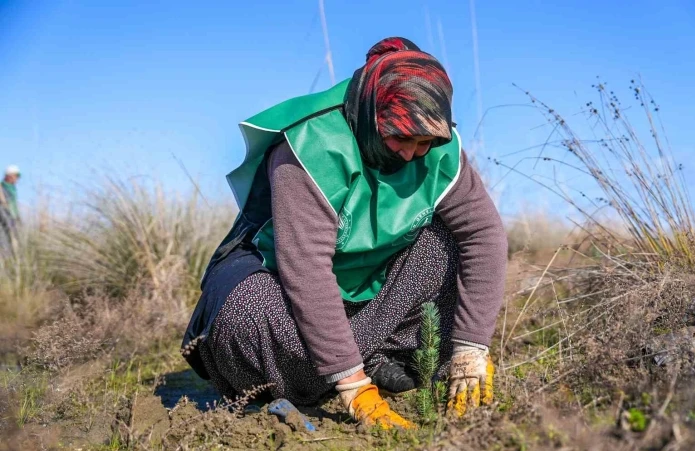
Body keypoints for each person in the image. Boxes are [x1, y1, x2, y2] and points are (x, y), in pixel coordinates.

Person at [182, 37, 508, 429]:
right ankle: (343, 370)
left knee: (446, 247)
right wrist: (356, 389)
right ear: (372, 113)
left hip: (363, 296)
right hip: (280, 284)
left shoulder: (441, 147)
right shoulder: (310, 143)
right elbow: (306, 270)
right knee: (246, 312)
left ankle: (365, 358)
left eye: (424, 143)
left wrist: (471, 347)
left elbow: (484, 236)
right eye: (400, 137)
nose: (411, 153)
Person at [0, 165, 21, 251]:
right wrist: (10, 222)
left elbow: (14, 207)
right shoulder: (1, 188)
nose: (17, 178)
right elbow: (3, 208)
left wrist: (17, 218)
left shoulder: (12, 189)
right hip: (4, 223)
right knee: (5, 246)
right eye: (16, 176)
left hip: (12, 220)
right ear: (9, 176)